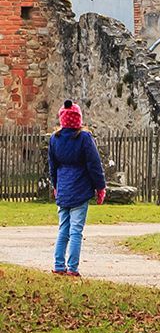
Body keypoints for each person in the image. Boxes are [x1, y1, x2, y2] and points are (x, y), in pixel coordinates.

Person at [48, 100, 107, 277]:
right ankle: (72, 268)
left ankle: (59, 265)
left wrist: (55, 185)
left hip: (64, 188)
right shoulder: (84, 138)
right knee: (76, 231)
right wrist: (100, 187)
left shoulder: (54, 139)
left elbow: (52, 166)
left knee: (63, 228)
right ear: (78, 119)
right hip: (80, 188)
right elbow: (94, 165)